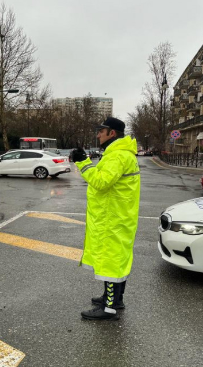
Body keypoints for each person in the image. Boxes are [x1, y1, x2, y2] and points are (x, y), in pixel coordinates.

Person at [70, 116, 140, 321]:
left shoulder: (117, 156)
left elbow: (101, 182)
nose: (98, 134)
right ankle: (114, 299)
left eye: (101, 131)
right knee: (118, 260)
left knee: (110, 261)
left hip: (112, 218)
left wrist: (82, 162)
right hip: (117, 216)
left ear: (112, 133)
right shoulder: (119, 154)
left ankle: (109, 308)